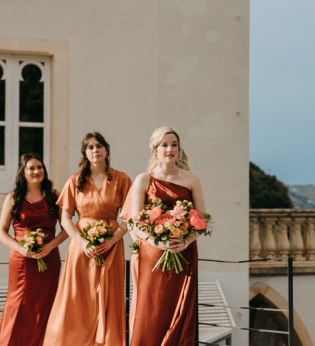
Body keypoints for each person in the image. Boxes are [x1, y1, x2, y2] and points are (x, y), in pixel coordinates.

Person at [44, 132, 132, 346]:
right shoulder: (75, 181)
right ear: (85, 152)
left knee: (109, 295)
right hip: (81, 247)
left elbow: (130, 217)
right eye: (90, 147)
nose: (95, 150)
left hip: (111, 246)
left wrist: (112, 240)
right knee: (76, 297)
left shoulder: (121, 179)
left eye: (99, 146)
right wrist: (82, 242)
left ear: (106, 150)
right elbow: (65, 218)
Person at [123, 126, 206, 346]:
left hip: (184, 252)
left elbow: (201, 219)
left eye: (174, 144)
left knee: (180, 310)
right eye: (164, 144)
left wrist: (186, 240)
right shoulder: (143, 179)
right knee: (151, 309)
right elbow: (134, 222)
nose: (170, 149)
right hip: (152, 255)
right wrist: (157, 241)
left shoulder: (192, 179)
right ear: (155, 149)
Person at [0, 154, 68, 345]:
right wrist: (20, 249)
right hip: (22, 261)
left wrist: (49, 247)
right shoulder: (14, 197)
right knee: (19, 303)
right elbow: (1, 232)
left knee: (46, 303)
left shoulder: (54, 195)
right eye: (31, 168)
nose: (37, 171)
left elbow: (67, 229)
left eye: (40, 167)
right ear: (23, 172)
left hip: (49, 259)